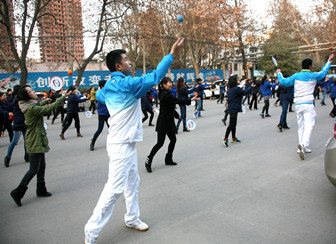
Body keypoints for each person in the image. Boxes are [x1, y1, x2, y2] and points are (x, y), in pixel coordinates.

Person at [84, 38, 185, 244]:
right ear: (118, 66)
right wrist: (171, 53)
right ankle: (91, 232)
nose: (131, 62)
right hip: (121, 146)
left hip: (125, 144)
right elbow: (156, 76)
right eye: (127, 59)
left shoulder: (113, 86)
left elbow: (102, 96)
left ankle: (132, 218)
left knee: (133, 183)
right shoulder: (125, 84)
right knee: (113, 189)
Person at [10, 86, 69, 207]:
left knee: (41, 166)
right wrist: (63, 97)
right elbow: (49, 109)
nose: (33, 92)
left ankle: (41, 189)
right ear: (27, 96)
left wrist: (44, 101)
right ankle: (18, 192)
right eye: (30, 91)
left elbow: (38, 105)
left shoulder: (28, 104)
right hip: (34, 139)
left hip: (37, 137)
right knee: (34, 169)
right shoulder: (31, 108)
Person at [276, 53, 334, 160]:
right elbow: (324, 72)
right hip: (308, 103)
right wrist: (329, 61)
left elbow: (284, 81)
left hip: (298, 104)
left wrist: (279, 73)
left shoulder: (296, 76)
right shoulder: (314, 76)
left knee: (301, 126)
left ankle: (301, 147)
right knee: (309, 125)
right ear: (310, 66)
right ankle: (304, 145)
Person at [145, 77, 198, 173]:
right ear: (164, 85)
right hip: (163, 122)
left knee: (173, 140)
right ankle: (148, 160)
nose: (171, 84)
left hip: (169, 121)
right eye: (169, 82)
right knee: (160, 143)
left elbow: (170, 106)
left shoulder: (166, 94)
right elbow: (178, 101)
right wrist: (190, 99)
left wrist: (176, 115)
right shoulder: (165, 95)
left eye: (170, 82)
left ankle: (168, 159)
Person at [221, 75, 253, 147]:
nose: (237, 81)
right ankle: (225, 138)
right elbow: (245, 92)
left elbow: (240, 88)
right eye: (236, 80)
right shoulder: (236, 89)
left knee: (234, 124)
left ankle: (233, 137)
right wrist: (251, 87)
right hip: (233, 108)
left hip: (232, 108)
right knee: (232, 124)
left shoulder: (230, 89)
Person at [4, 85, 29, 167]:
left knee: (18, 141)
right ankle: (8, 157)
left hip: (18, 122)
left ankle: (9, 157)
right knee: (17, 141)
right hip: (20, 122)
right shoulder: (18, 100)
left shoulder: (13, 100)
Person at [90, 80, 110, 151]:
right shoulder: (99, 93)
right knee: (99, 129)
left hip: (108, 114)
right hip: (102, 114)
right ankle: (92, 143)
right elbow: (106, 101)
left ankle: (112, 143)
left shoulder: (107, 92)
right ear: (102, 86)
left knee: (111, 129)